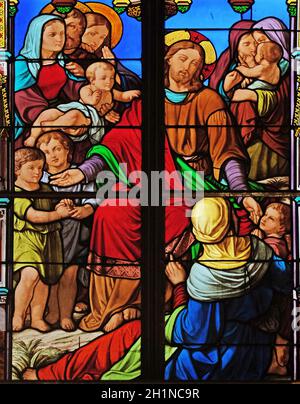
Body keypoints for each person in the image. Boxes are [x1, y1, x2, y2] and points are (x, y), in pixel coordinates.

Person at [22, 198, 292, 382]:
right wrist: (281, 338)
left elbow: (196, 335)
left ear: (199, 232)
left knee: (126, 338)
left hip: (206, 364)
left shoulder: (206, 274)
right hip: (252, 349)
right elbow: (285, 291)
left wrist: (179, 286)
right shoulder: (261, 251)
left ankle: (50, 376)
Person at [211, 18, 290, 181]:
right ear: (235, 46)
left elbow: (286, 98)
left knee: (244, 100)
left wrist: (258, 96)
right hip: (236, 132)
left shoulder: (283, 66)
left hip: (271, 136)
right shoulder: (228, 62)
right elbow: (214, 98)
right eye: (248, 43)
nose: (255, 48)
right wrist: (226, 89)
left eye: (259, 42)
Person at [36, 132, 97, 331]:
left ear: (67, 151)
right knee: (51, 274)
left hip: (77, 235)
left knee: (69, 275)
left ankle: (65, 314)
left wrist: (83, 210)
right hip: (50, 235)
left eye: (56, 149)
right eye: (45, 152)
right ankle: (53, 312)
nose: (52, 156)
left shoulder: (80, 173)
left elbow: (92, 198)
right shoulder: (39, 178)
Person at [13, 148, 71, 332]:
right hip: (25, 241)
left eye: (40, 168)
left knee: (44, 279)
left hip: (49, 241)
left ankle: (37, 318)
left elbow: (56, 205)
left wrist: (64, 204)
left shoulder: (46, 189)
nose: (37, 172)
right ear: (17, 169)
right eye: (31, 168)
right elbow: (34, 216)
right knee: (30, 274)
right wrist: (58, 214)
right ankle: (18, 315)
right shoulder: (16, 193)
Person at [25, 61, 140, 147]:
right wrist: (94, 99)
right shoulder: (86, 89)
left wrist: (131, 94)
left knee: (74, 116)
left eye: (111, 78)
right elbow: (89, 102)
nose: (109, 82)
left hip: (89, 118)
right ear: (92, 80)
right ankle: (33, 136)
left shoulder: (111, 92)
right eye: (103, 78)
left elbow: (122, 96)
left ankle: (53, 125)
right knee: (49, 113)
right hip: (81, 109)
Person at [14, 15, 87, 149]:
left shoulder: (64, 62)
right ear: (37, 37)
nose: (59, 39)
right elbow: (23, 98)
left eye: (62, 33)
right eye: (52, 34)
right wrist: (56, 121)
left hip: (60, 114)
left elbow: (75, 90)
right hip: (33, 121)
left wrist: (83, 76)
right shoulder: (22, 64)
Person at [232, 42, 283, 114]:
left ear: (261, 56)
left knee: (239, 93)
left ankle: (228, 98)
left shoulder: (262, 69)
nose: (254, 55)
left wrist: (240, 67)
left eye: (256, 53)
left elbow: (248, 72)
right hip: (271, 93)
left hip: (259, 92)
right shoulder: (277, 68)